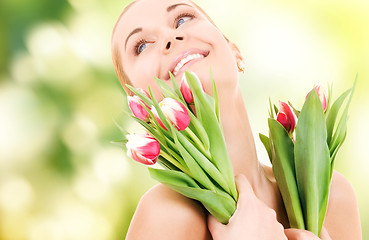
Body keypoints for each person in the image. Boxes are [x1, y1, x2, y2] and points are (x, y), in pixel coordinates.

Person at [111, 0, 362, 239]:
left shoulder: (332, 196)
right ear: (140, 106)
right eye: (142, 45)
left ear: (235, 51)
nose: (170, 37)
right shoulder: (167, 214)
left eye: (182, 19)